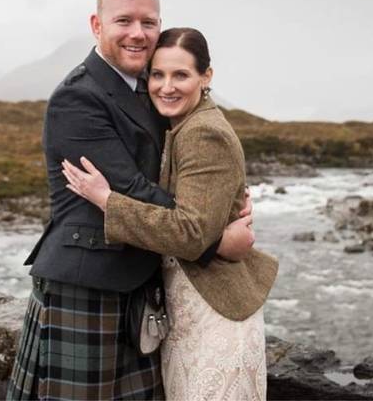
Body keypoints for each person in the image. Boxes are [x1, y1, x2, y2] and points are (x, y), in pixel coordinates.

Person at [7, 0, 256, 401]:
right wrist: (214, 238)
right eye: (124, 20)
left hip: (137, 281)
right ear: (97, 24)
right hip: (88, 284)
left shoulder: (148, 85)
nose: (138, 33)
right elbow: (133, 188)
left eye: (149, 21)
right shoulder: (78, 97)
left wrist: (218, 201)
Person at [63, 27, 278, 401]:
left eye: (181, 75)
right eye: (158, 75)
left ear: (205, 76)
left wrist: (107, 201)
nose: (166, 86)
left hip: (214, 316)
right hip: (190, 313)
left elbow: (189, 233)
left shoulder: (202, 132)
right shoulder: (177, 125)